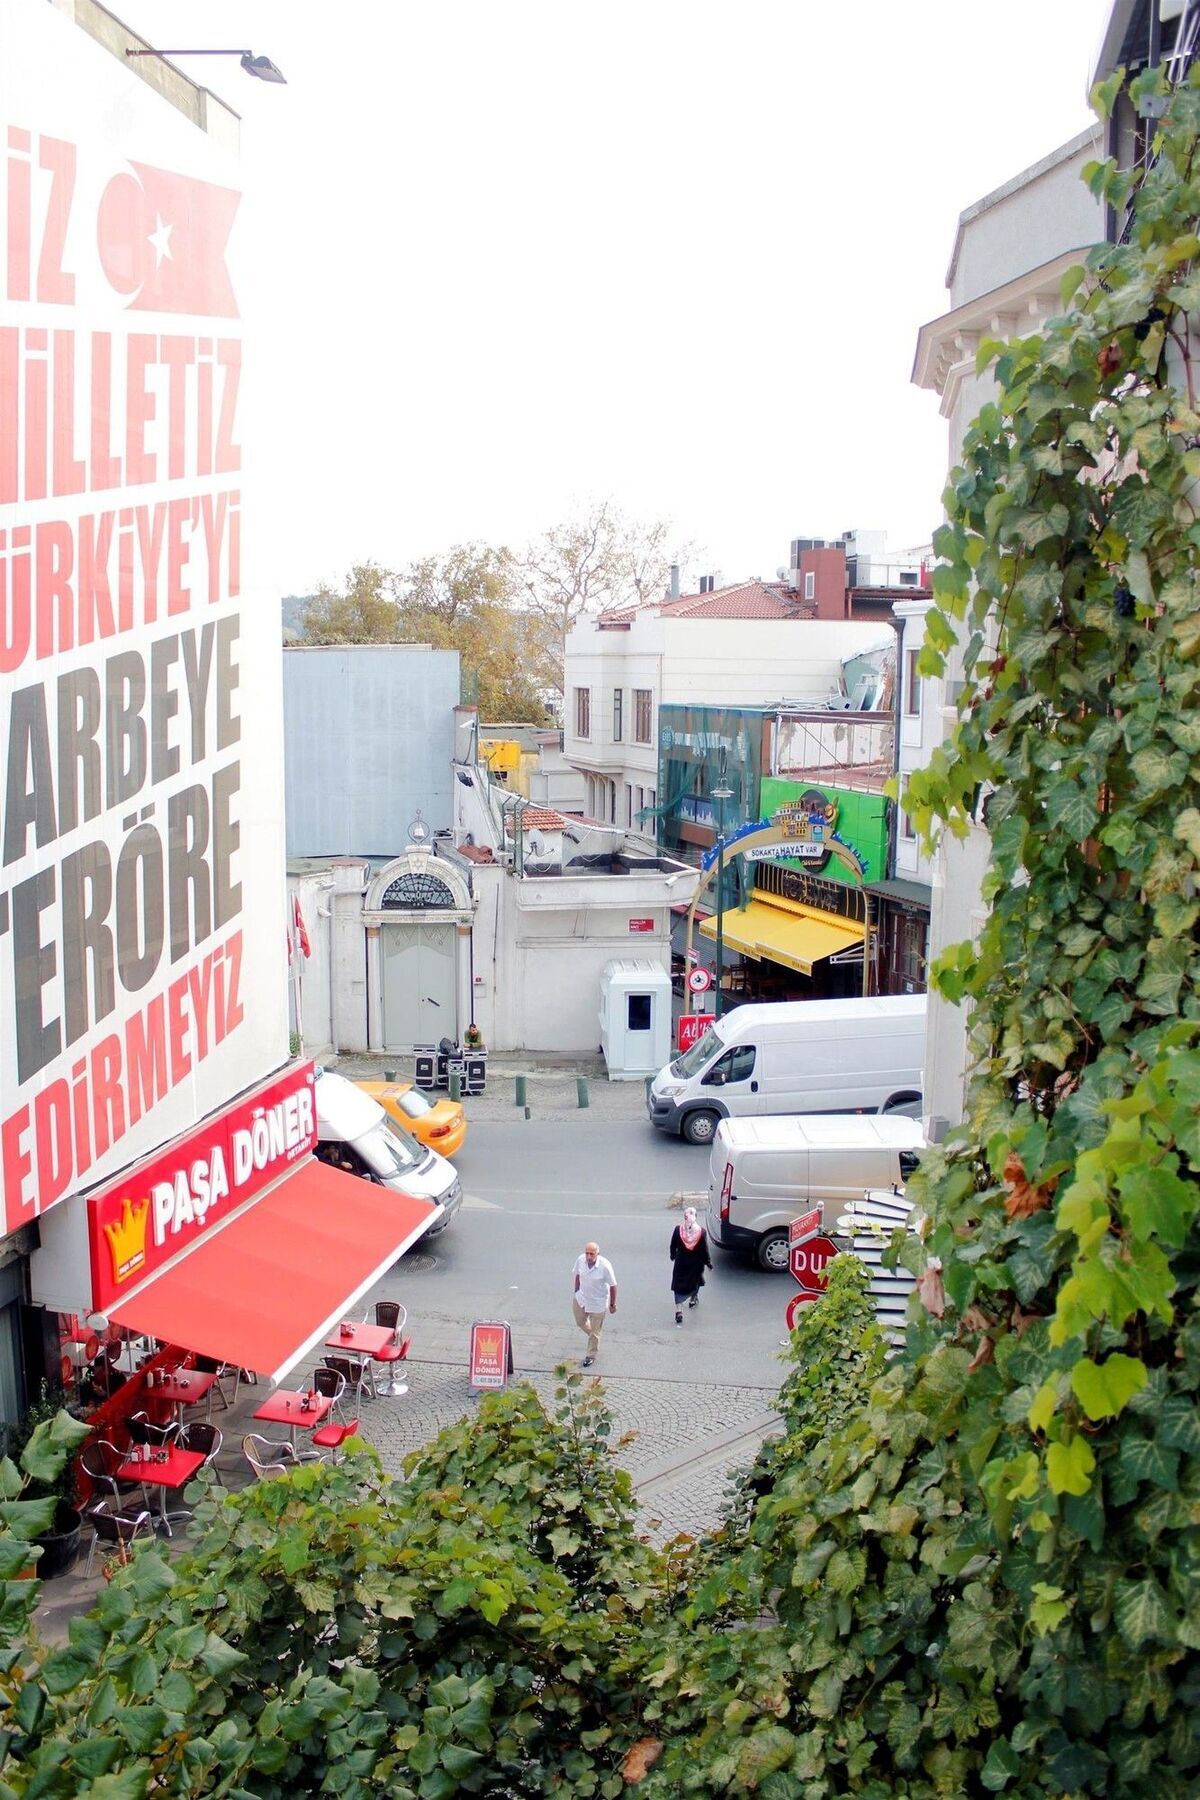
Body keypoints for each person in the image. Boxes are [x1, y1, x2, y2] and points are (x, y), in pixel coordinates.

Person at [572, 1241, 617, 1368]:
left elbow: (613, 1285)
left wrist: (612, 1304)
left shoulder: (605, 1266)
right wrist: (576, 1290)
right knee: (580, 1321)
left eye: (592, 1254)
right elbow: (577, 1274)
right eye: (587, 1253)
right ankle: (594, 1337)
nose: (589, 1257)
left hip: (598, 1302)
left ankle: (591, 1355)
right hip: (582, 1298)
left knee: (595, 1331)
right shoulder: (580, 1260)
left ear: (598, 1254)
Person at [669, 1206, 713, 1326]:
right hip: (696, 1264)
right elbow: (704, 1250)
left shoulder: (678, 1230)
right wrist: (708, 1263)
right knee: (696, 1281)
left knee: (678, 1285)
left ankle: (678, 1310)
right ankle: (693, 1298)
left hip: (681, 1263)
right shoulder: (701, 1232)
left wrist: (673, 1255)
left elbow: (673, 1245)